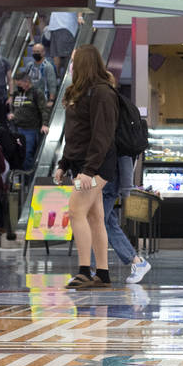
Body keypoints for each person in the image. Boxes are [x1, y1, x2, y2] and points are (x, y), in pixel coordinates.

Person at [53, 43, 118, 288]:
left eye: (73, 60)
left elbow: (103, 135)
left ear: (83, 63)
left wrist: (88, 171)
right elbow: (75, 133)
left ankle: (84, 270)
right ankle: (102, 273)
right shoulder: (80, 92)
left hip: (96, 165)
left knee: (75, 211)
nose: (70, 65)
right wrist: (64, 163)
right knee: (94, 216)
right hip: (83, 163)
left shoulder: (102, 93)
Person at [94, 155, 152, 285]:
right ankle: (137, 261)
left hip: (107, 178)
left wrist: (127, 187)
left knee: (97, 222)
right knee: (107, 223)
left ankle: (92, 270)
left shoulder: (114, 135)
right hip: (105, 177)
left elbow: (122, 154)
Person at [9, 71, 49, 167]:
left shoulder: (36, 93)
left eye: (19, 84)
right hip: (16, 129)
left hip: (30, 129)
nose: (18, 87)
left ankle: (26, 178)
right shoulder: (16, 93)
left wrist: (45, 124)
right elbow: (14, 107)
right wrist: (12, 114)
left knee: (27, 154)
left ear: (27, 82)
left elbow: (44, 110)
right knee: (16, 154)